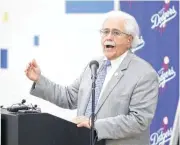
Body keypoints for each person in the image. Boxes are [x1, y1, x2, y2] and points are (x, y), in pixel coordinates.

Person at [25, 10, 159, 145]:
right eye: (105, 32)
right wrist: (39, 79)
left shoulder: (144, 74)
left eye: (116, 33)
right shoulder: (95, 65)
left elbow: (139, 120)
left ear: (129, 40)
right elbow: (69, 96)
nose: (109, 37)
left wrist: (94, 125)